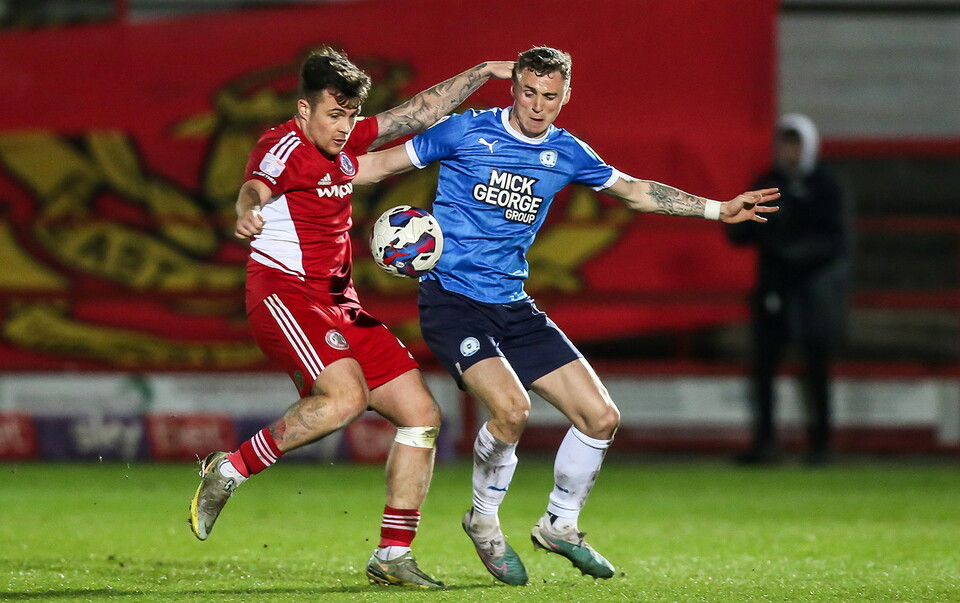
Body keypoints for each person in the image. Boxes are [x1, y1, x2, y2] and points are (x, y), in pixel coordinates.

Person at [356, 46, 779, 585]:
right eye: (528, 93)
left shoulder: (567, 152)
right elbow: (377, 165)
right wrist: (298, 180)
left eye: (550, 97)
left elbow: (635, 192)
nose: (537, 107)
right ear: (514, 89)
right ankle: (483, 522)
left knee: (601, 417)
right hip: (453, 302)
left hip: (513, 303)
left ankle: (560, 524)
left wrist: (720, 209)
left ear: (566, 96)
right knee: (511, 410)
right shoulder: (464, 132)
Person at [188, 46, 514, 589]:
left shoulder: (346, 141)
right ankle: (228, 469)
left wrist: (480, 73)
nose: (343, 128)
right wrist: (247, 210)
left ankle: (392, 554)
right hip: (285, 294)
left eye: (348, 115)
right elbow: (256, 185)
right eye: (333, 115)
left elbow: (415, 114)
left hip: (340, 303)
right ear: (302, 111)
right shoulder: (282, 145)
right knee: (344, 399)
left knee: (422, 415)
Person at [728, 113, 853, 466]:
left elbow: (836, 241)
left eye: (796, 143)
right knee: (764, 367)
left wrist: (790, 249)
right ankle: (764, 443)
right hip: (774, 291)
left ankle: (821, 445)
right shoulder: (768, 183)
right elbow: (739, 233)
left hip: (815, 293)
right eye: (785, 143)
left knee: (816, 367)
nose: (790, 151)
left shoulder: (826, 187)